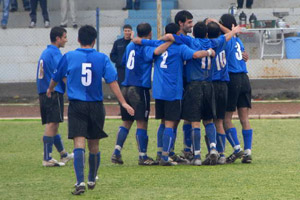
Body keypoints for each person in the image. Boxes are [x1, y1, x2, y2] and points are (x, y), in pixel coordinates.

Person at [47, 25, 134, 195]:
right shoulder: (102, 58)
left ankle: (79, 182)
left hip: (76, 105)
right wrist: (123, 103)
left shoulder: (69, 56)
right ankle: (92, 178)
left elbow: (55, 77)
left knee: (78, 143)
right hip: (96, 106)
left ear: (79, 40)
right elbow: (112, 82)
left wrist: (50, 89)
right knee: (94, 144)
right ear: (94, 41)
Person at [138, 23, 216, 166]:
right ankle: (166, 157)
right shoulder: (180, 48)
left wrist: (138, 40)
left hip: (158, 90)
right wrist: (209, 52)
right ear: (177, 34)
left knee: (162, 122)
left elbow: (152, 52)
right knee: (171, 123)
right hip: (173, 90)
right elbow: (195, 55)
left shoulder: (159, 46)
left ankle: (161, 151)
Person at [110, 23, 172, 166]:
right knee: (142, 122)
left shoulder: (130, 46)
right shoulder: (145, 47)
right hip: (139, 88)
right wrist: (169, 42)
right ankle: (143, 156)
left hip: (125, 86)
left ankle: (117, 152)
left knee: (126, 121)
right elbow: (157, 52)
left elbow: (125, 61)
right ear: (149, 33)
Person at [36, 26, 73, 167]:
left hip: (44, 91)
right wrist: (71, 91)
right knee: (52, 124)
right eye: (64, 37)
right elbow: (62, 74)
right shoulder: (55, 53)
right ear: (58, 38)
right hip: (52, 92)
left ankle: (63, 154)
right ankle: (47, 158)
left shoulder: (46, 52)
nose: (66, 40)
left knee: (54, 123)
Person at [219, 14, 253, 164]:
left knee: (226, 118)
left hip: (233, 79)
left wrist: (215, 23)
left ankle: (237, 148)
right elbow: (243, 56)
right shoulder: (238, 40)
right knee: (244, 118)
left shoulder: (228, 40)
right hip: (245, 79)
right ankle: (248, 152)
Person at [173, 10, 194, 162]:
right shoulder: (175, 39)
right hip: (178, 84)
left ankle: (187, 149)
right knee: (173, 119)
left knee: (189, 117)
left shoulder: (189, 39)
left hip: (189, 83)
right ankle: (169, 151)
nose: (191, 25)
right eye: (189, 22)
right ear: (180, 23)